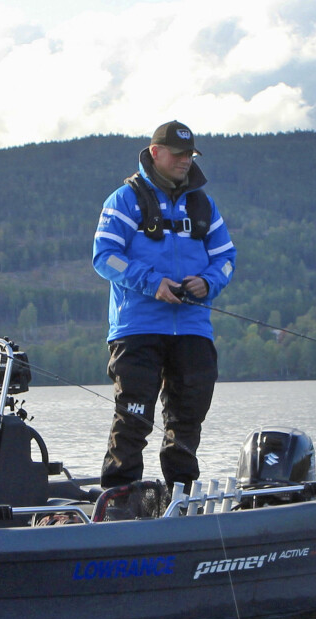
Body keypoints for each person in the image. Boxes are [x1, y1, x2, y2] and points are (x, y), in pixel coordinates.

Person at [92, 121, 236, 493]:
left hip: (192, 329)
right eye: (178, 154)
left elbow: (226, 259)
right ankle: (120, 500)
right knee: (133, 419)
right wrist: (152, 283)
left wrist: (208, 282)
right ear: (155, 153)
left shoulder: (203, 204)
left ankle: (181, 497)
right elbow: (105, 257)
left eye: (190, 154)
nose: (186, 161)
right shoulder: (123, 200)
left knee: (187, 419)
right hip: (137, 329)